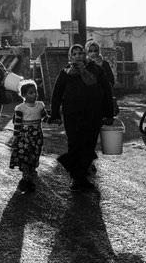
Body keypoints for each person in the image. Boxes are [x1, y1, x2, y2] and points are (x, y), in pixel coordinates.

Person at [49, 44, 114, 192]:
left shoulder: (95, 70)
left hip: (93, 114)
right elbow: (57, 94)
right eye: (75, 53)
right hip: (72, 115)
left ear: (84, 55)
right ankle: (77, 178)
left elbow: (107, 91)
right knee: (75, 144)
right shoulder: (65, 72)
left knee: (88, 145)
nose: (78, 56)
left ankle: (82, 176)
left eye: (80, 53)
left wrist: (109, 113)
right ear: (70, 56)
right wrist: (55, 115)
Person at [10, 80, 48, 194]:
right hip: (24, 138)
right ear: (24, 95)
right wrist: (15, 138)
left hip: (37, 137)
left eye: (35, 92)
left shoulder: (40, 106)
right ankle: (24, 181)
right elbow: (17, 124)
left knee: (34, 158)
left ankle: (28, 181)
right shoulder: (20, 108)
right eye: (31, 93)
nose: (34, 95)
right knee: (25, 158)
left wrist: (55, 119)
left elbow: (45, 118)